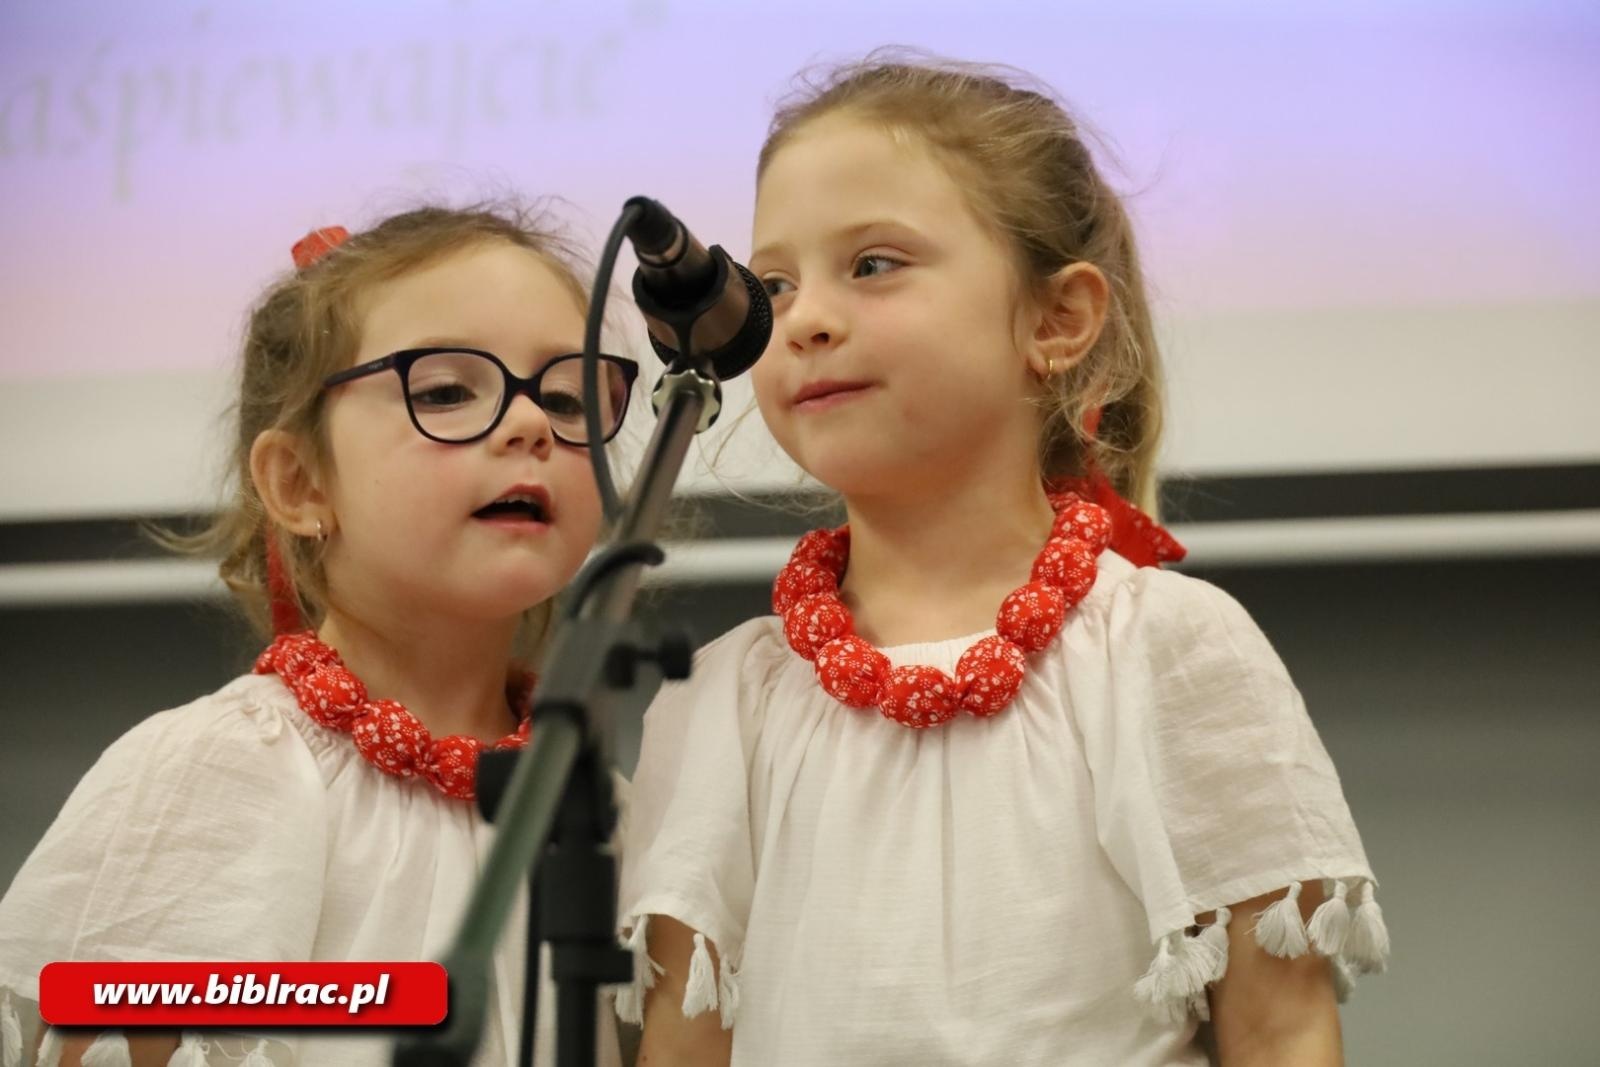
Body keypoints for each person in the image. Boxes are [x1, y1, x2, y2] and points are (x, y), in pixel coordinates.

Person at [618, 55, 1389, 1066]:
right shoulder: (726, 698)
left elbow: (1281, 1028)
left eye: (873, 264)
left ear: (1057, 320)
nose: (802, 319)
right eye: (774, 284)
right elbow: (685, 1047)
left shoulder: (1166, 647)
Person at [0, 204, 638, 1067]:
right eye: (446, 391)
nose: (531, 426)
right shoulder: (224, 771)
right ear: (300, 484)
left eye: (565, 396)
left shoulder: (609, 811)